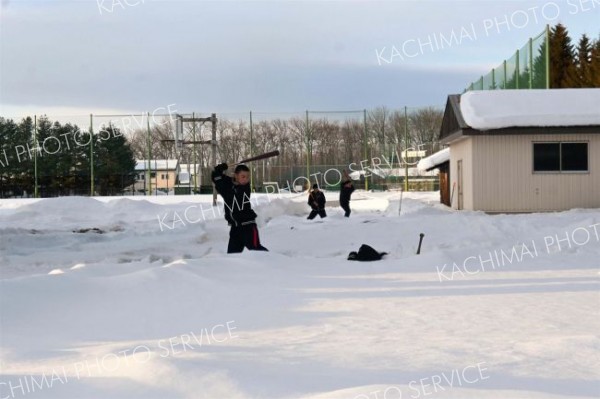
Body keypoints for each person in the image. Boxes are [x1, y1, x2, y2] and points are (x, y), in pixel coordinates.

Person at [211, 163, 268, 253]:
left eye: (247, 177)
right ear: (236, 176)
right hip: (235, 227)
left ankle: (275, 262)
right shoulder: (230, 183)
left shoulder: (244, 189)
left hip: (247, 226)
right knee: (232, 255)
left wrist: (219, 176)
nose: (246, 179)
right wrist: (218, 171)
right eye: (243, 176)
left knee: (257, 251)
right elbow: (216, 178)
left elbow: (226, 193)